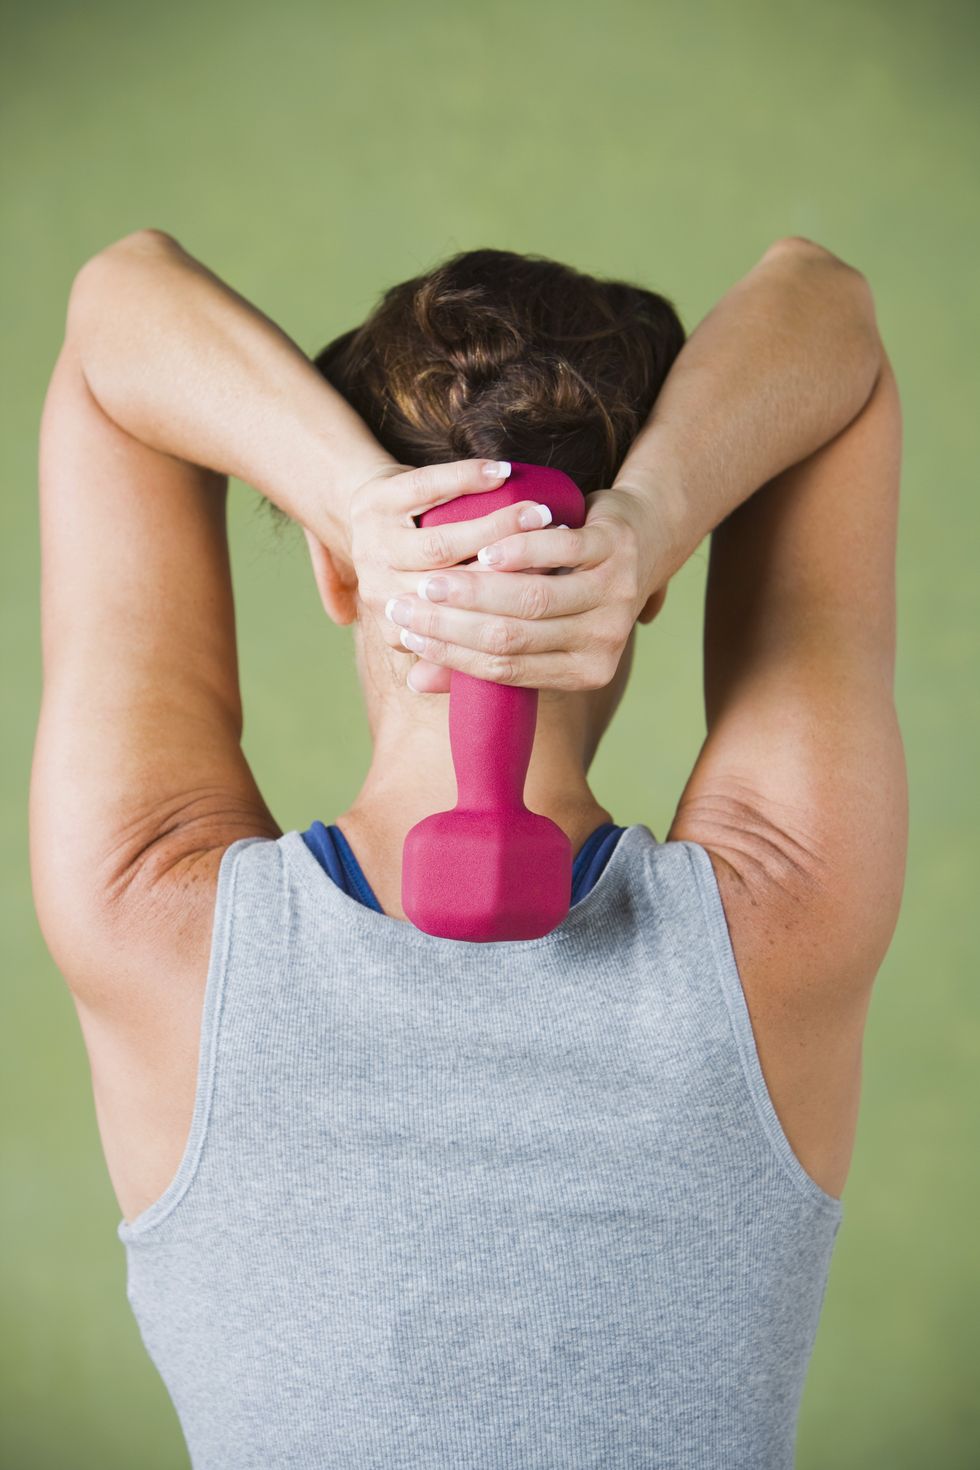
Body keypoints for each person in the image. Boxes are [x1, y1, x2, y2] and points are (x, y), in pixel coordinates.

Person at [30, 231, 907, 1469]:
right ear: (650, 588)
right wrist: (647, 516)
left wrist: (356, 503)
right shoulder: (781, 915)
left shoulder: (154, 921)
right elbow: (833, 318)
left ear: (336, 578)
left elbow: (113, 315)